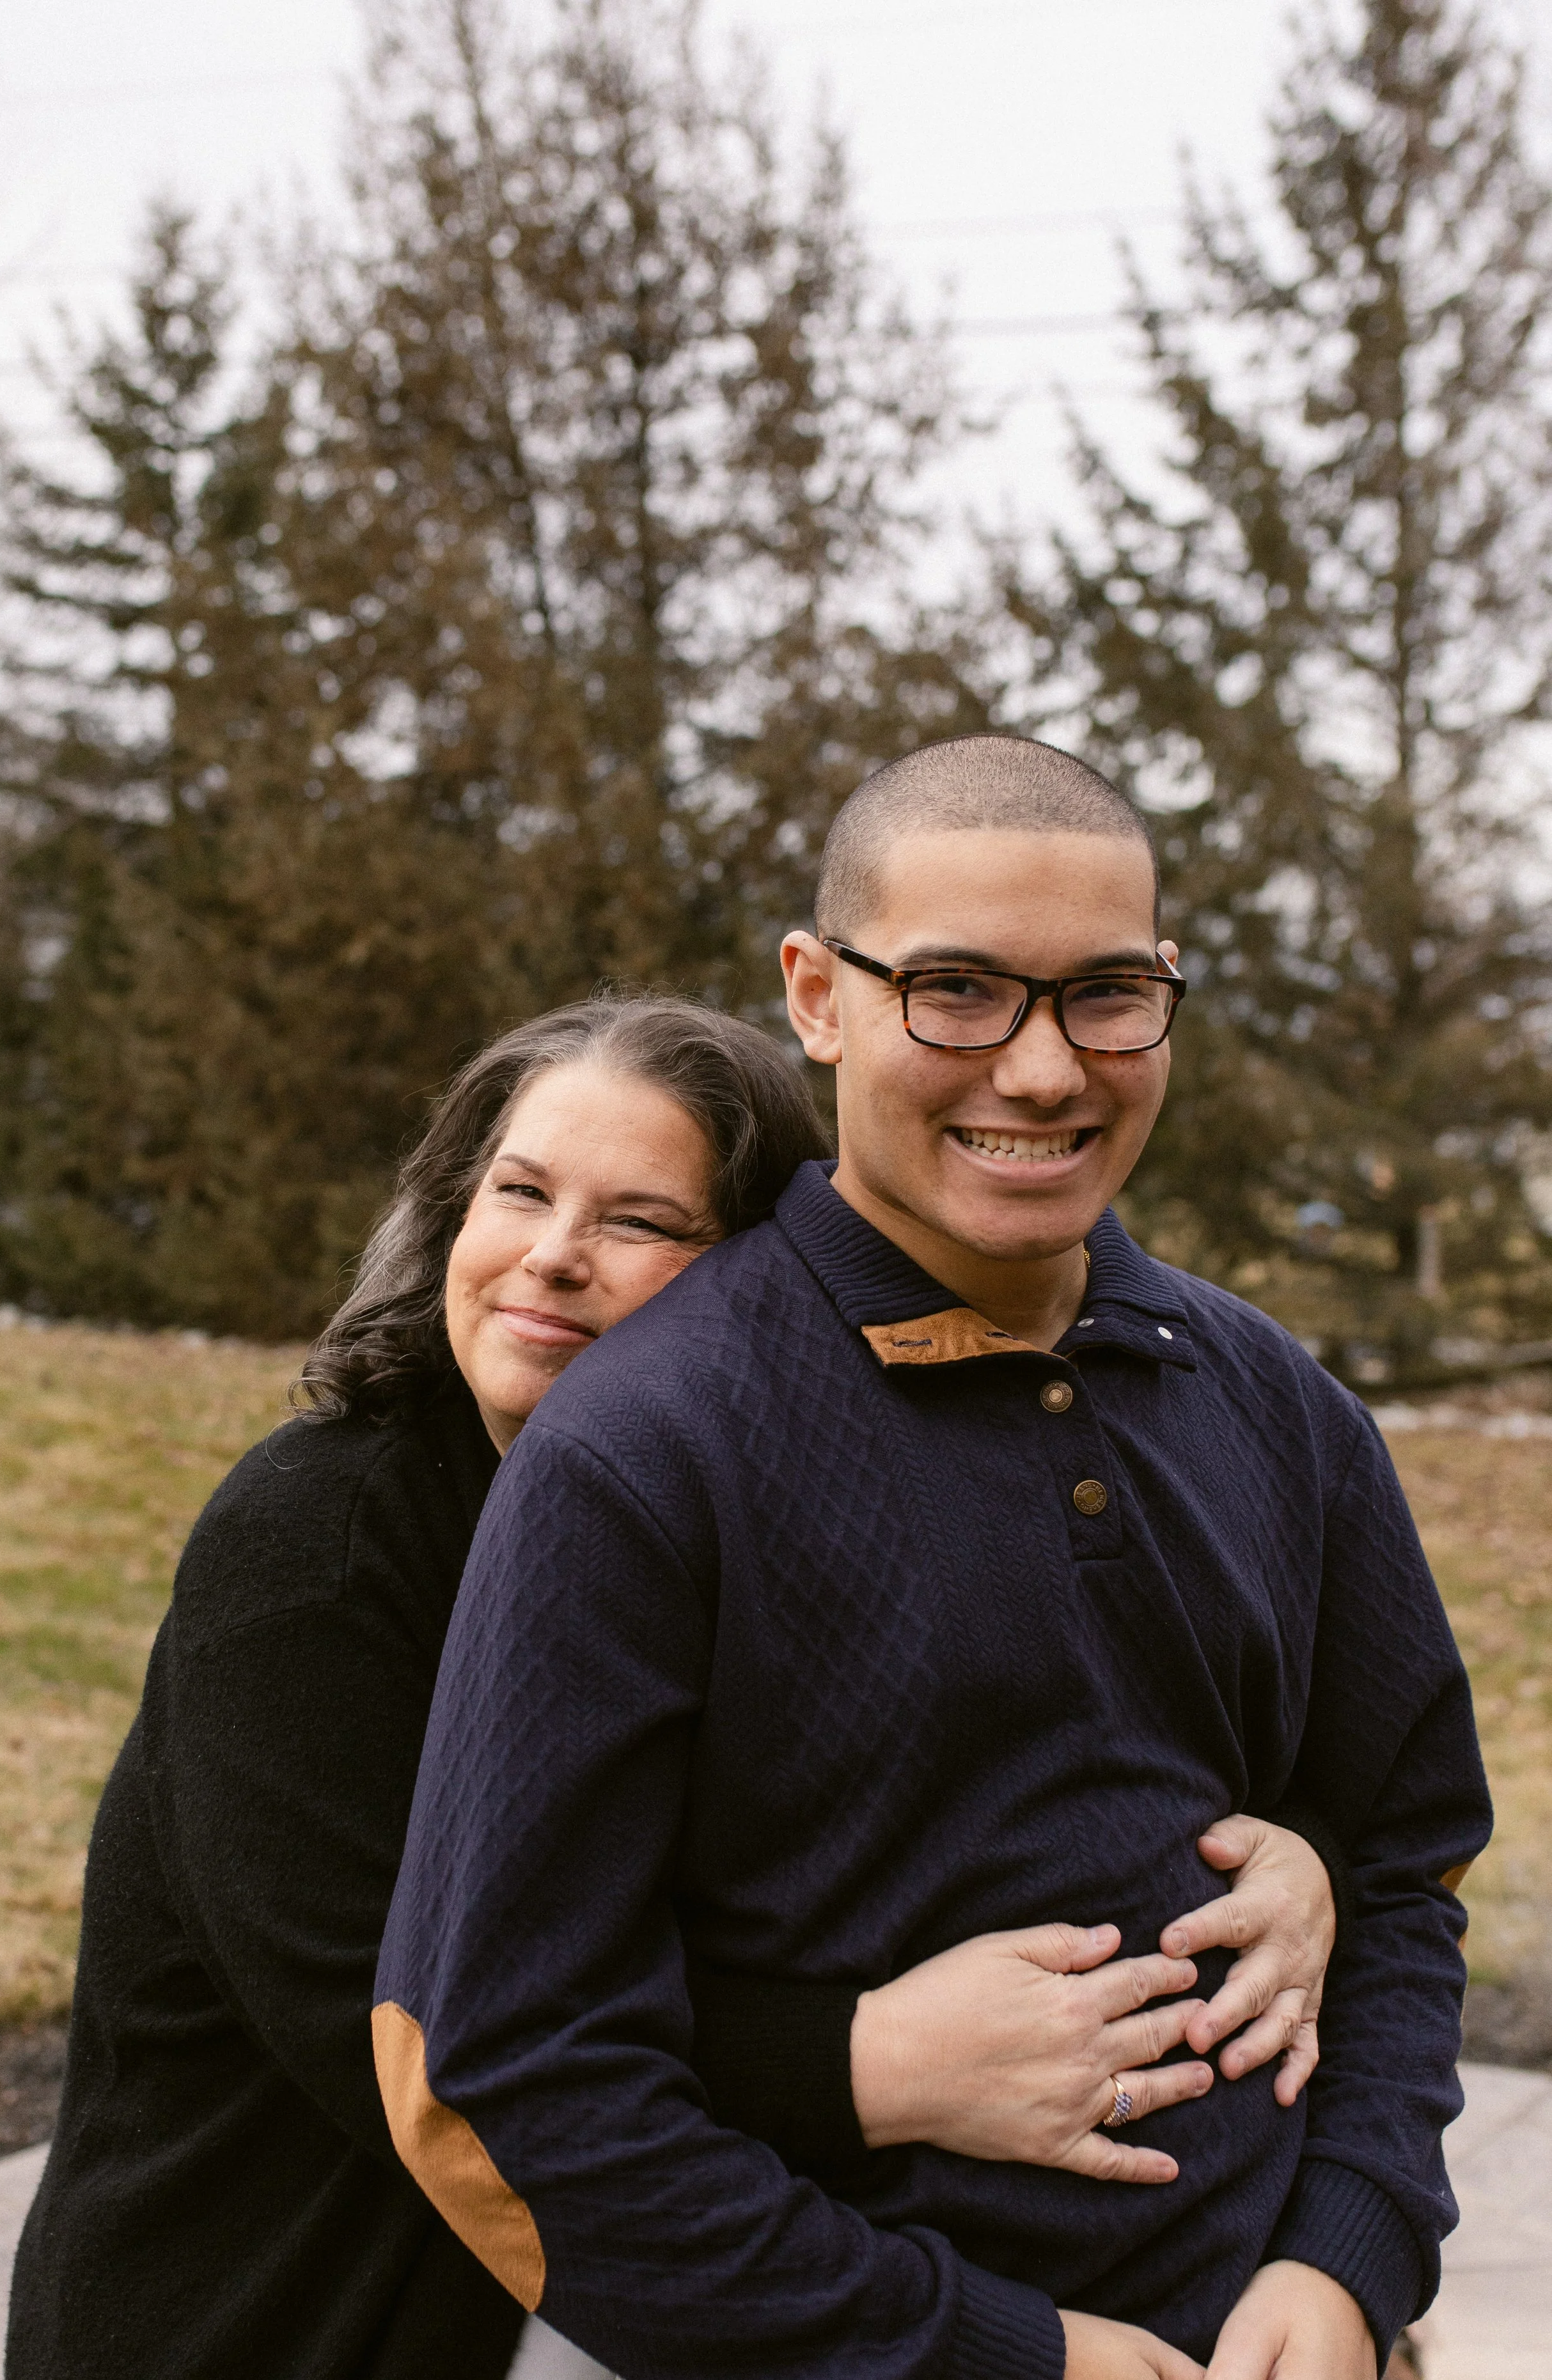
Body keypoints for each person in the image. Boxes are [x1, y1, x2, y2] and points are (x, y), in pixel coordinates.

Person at [7, 992, 1341, 2380]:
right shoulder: (317, 1553)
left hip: (625, 2298)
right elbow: (423, 2045)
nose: (554, 1257)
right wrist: (867, 2059)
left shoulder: (739, 1509)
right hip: (295, 2312)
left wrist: (1305, 1864)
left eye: (640, 1221)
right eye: (518, 1192)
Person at [375, 739, 1493, 2380]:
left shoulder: (1278, 1407)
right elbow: (507, 2076)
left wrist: (1345, 2256)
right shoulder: (647, 1450)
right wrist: (1004, 2352)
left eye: (1107, 993)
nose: (1042, 1071)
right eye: (957, 990)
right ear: (816, 996)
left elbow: (1398, 1866)